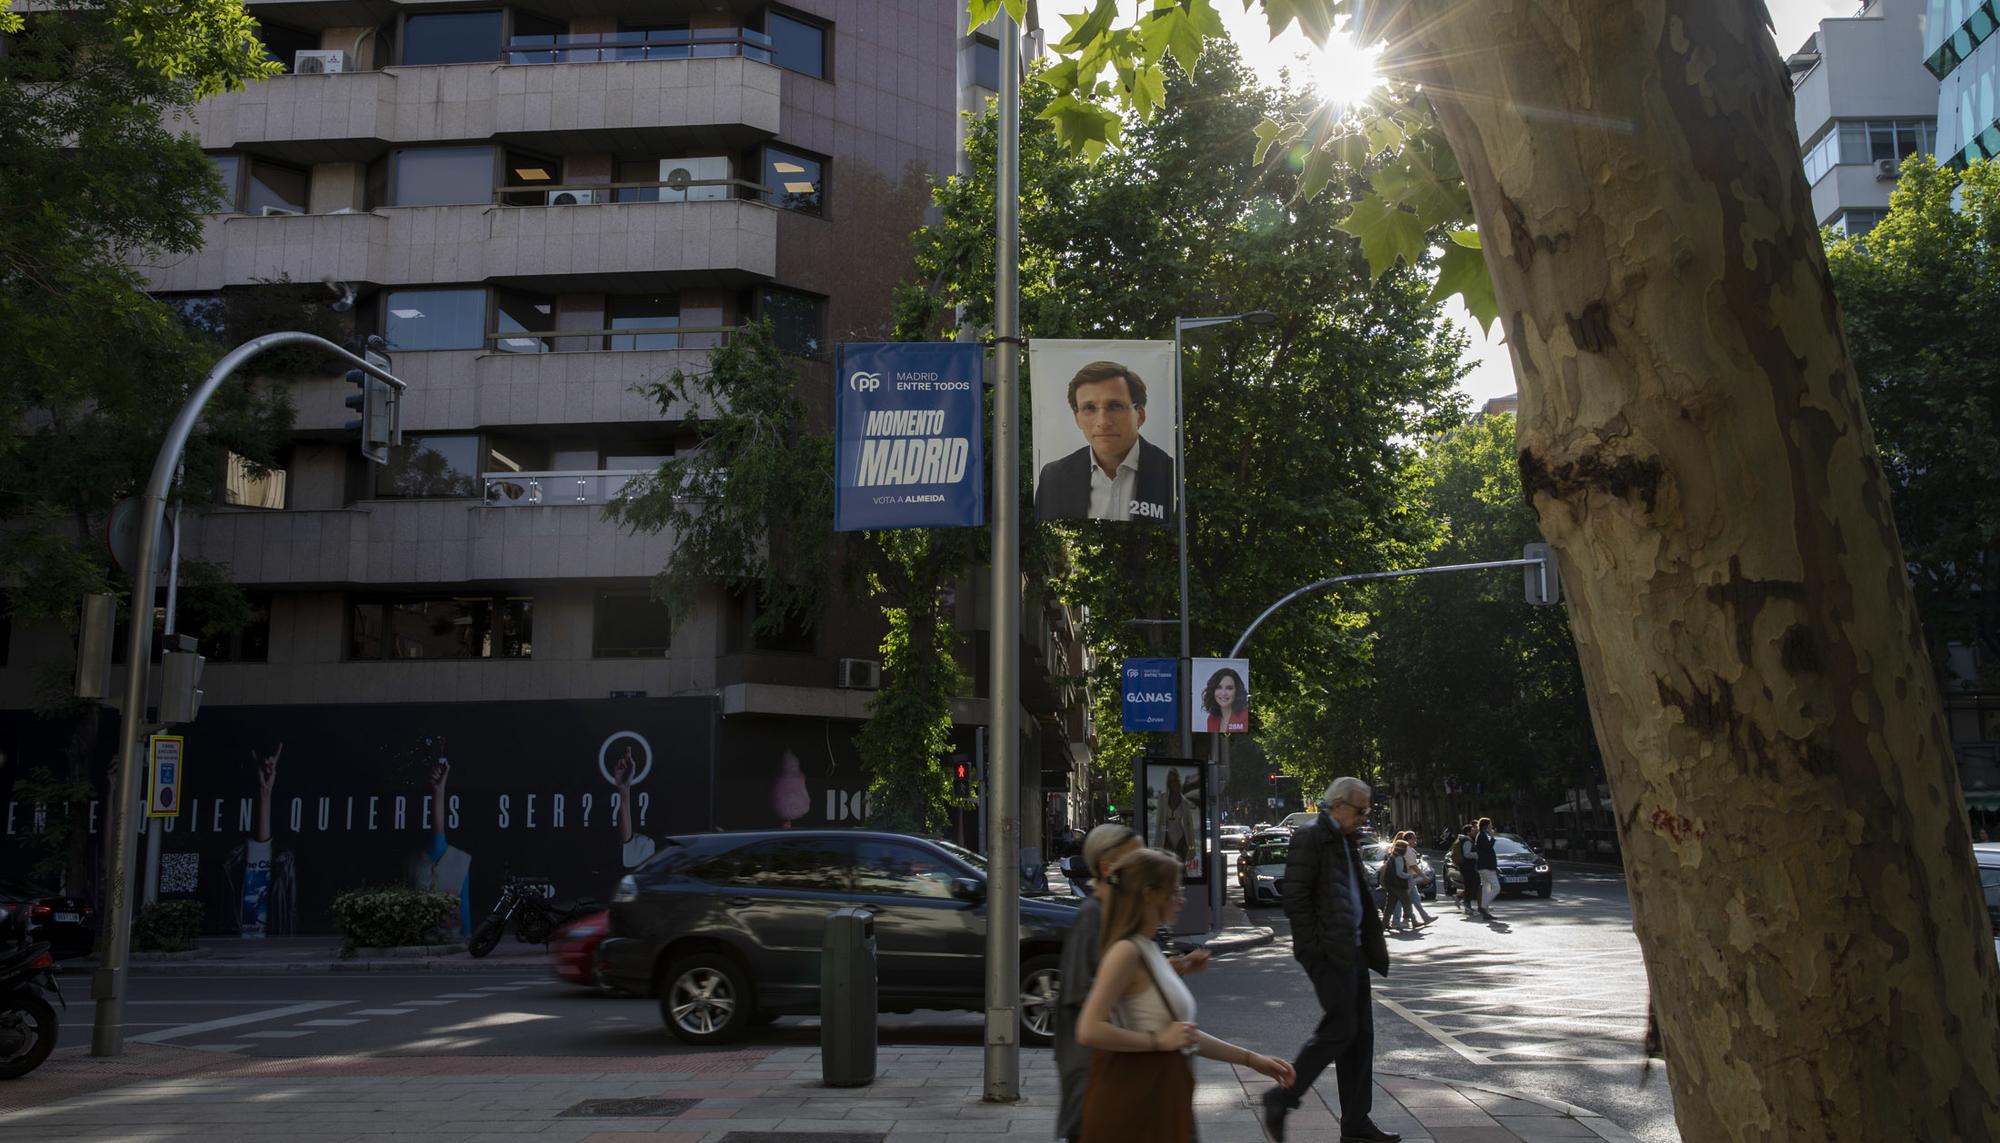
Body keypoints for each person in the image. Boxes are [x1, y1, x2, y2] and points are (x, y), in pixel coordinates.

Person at [1077, 848, 1291, 1141]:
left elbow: (1183, 1035)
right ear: (1150, 894)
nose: (1181, 898)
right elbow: (1088, 1030)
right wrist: (1157, 1041)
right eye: (1175, 889)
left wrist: (1253, 1060)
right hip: (1138, 1112)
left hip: (1162, 1105)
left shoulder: (1147, 948)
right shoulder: (1126, 951)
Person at [1261, 778, 1398, 1143]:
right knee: (1341, 1029)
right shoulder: (1311, 837)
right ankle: (1281, 1097)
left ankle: (1356, 1123)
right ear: (1337, 805)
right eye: (1359, 809)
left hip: (1353, 951)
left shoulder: (1344, 839)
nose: (1364, 816)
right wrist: (1313, 948)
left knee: (1359, 1038)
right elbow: (1296, 897)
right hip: (1329, 952)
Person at [1057, 824, 1211, 1142]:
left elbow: (1127, 981)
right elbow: (1092, 1005)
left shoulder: (1125, 924)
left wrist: (1173, 968)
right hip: (1104, 1076)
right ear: (1108, 868)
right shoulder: (1092, 917)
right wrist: (1156, 1039)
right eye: (1138, 855)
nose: (1147, 860)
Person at [1035, 361, 1177, 524]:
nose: (1103, 422)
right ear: (1077, 419)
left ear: (1140, 415)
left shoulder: (1171, 473)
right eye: (1089, 408)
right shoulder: (1054, 477)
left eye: (1115, 406)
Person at [1394, 839, 1435, 928]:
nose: (1415, 840)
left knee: (1415, 899)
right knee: (1401, 901)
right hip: (1405, 880)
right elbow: (1402, 871)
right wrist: (1420, 876)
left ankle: (1422, 918)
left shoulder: (1404, 854)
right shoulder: (1399, 857)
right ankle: (1396, 921)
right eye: (1413, 838)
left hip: (1409, 879)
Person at [1200, 667, 1249, 733]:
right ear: (1213, 690)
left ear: (1237, 691)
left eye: (1229, 688)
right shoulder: (1211, 719)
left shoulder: (1246, 717)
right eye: (1219, 687)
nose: (1223, 693)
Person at [1475, 817, 1500, 920]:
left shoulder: (1482, 835)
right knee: (1496, 887)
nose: (1491, 826)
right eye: (1490, 825)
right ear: (1486, 826)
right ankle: (1483, 906)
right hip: (1486, 867)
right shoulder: (1481, 836)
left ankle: (1486, 913)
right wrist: (1492, 837)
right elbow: (1488, 848)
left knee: (1486, 889)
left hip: (1484, 866)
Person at [1453, 824, 1478, 917]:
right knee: (1472, 884)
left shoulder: (1464, 839)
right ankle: (1466, 903)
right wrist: (1477, 854)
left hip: (1466, 866)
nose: (1474, 832)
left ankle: (1464, 901)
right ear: (1468, 832)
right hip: (1467, 867)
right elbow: (1467, 854)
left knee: (1470, 884)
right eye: (1472, 830)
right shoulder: (1467, 840)